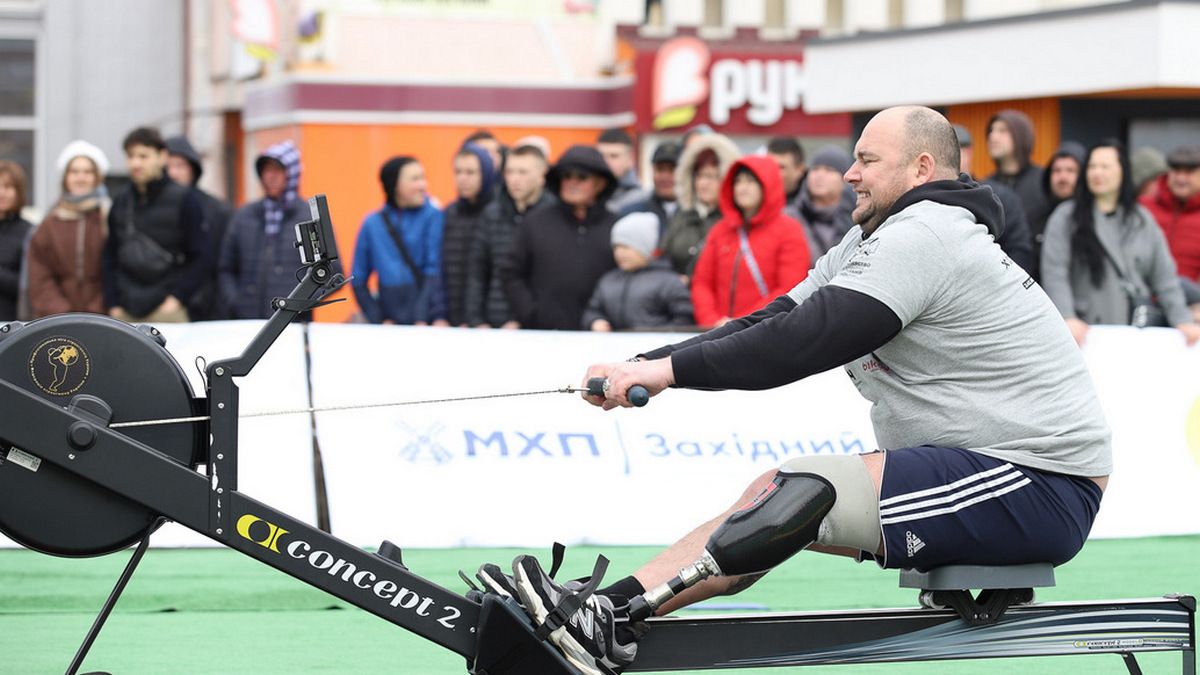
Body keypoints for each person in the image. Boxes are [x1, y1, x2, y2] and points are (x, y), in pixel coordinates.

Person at [481, 106, 1114, 675]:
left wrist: (667, 374)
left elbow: (804, 342)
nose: (850, 175)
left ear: (921, 168)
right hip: (992, 466)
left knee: (809, 488)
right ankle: (608, 611)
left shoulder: (928, 234)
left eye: (867, 160)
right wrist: (647, 363)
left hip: (1043, 482)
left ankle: (609, 621)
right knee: (775, 500)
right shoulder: (874, 238)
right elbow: (774, 319)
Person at [1041, 140, 1200, 346]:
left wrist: (1182, 319)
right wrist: (1066, 316)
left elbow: (1164, 277)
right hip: (1084, 331)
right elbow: (1055, 273)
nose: (1097, 172)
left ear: (1122, 171)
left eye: (1105, 166)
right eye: (1092, 166)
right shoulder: (1066, 217)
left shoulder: (1141, 220)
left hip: (1133, 331)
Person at [501, 144, 617, 330]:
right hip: (544, 334)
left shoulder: (616, 226)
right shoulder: (535, 222)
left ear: (600, 183)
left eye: (582, 177)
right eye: (567, 176)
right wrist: (530, 313)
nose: (572, 182)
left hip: (601, 333)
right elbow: (511, 273)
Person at [689, 156, 810, 328]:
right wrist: (711, 321)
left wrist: (740, 324)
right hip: (717, 331)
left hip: (764, 331)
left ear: (767, 185)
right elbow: (702, 282)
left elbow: (789, 289)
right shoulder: (720, 230)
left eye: (750, 181)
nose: (742, 188)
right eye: (738, 181)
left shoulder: (789, 230)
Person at [102, 127, 207, 323]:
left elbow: (200, 256)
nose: (136, 163)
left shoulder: (185, 199)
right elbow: (110, 255)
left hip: (166, 309)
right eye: (131, 156)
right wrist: (113, 304)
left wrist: (177, 299)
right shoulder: (121, 200)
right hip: (126, 310)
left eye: (143, 156)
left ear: (162, 156)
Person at [218, 140, 316, 320]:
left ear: (292, 173)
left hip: (292, 324)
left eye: (277, 170)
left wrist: (300, 305)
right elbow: (226, 268)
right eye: (266, 170)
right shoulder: (244, 216)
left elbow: (329, 272)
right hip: (247, 322)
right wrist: (235, 302)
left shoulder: (309, 217)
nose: (270, 176)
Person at [465, 143, 553, 328]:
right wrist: (477, 320)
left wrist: (524, 320)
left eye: (522, 172)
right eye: (509, 172)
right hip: (493, 322)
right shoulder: (492, 213)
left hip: (538, 325)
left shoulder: (554, 216)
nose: (514, 179)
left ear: (541, 175)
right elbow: (477, 271)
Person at [351, 156, 447, 326]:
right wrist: (379, 319)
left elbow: (434, 269)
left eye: (423, 178)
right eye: (415, 179)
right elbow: (358, 279)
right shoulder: (372, 223)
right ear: (395, 184)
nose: (423, 185)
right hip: (390, 322)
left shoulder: (434, 216)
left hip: (426, 322)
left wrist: (422, 317)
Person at [26, 141, 111, 318]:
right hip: (57, 319)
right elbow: (40, 276)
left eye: (88, 172)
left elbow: (116, 270)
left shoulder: (108, 218)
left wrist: (98, 310)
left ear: (97, 178)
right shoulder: (49, 224)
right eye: (74, 172)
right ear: (65, 177)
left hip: (103, 318)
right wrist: (62, 313)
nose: (81, 178)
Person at [582, 211, 693, 331]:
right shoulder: (608, 280)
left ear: (645, 247)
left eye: (626, 247)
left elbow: (684, 319)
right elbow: (593, 310)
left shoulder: (669, 282)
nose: (619, 253)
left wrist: (661, 335)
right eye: (616, 247)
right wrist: (595, 321)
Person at [953, 124, 1036, 275]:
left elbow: (1019, 250)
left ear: (968, 152)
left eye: (953, 151)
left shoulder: (998, 196)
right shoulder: (928, 200)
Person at [166, 135, 233, 320]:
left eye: (179, 166)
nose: (173, 173)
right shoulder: (150, 209)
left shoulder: (218, 210)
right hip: (165, 306)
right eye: (167, 166)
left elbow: (224, 264)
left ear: (193, 169)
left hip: (208, 308)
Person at [659, 133, 741, 279]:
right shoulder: (683, 215)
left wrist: (691, 280)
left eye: (712, 176)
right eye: (699, 176)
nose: (703, 183)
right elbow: (663, 256)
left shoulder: (734, 220)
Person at [442, 144, 496, 326]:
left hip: (487, 322)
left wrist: (477, 320)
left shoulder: (497, 213)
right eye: (458, 172)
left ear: (486, 174)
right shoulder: (449, 213)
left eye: (470, 172)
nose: (462, 178)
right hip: (453, 320)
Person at [1140, 145, 1200, 284]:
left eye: (1189, 172)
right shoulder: (1143, 207)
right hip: (1143, 294)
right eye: (1176, 171)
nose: (1181, 178)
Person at [983, 109, 1047, 233]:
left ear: (1021, 135)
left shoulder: (1043, 181)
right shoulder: (986, 186)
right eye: (991, 131)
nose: (993, 137)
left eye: (1002, 131)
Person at [1030, 141, 1087, 274]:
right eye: (1057, 171)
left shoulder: (1094, 218)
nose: (1062, 177)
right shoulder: (1035, 218)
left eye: (1070, 171)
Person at [795, 145, 856, 258]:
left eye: (829, 170)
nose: (819, 175)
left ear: (845, 179)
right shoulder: (792, 217)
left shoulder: (857, 219)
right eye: (815, 169)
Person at [620, 140, 681, 238]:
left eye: (672, 170)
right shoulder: (633, 214)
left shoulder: (696, 215)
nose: (664, 177)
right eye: (660, 169)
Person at [0, 160, 34, 322]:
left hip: (12, 323)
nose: (1, 193)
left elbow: (28, 285)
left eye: (8, 187)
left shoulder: (29, 232)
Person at [597, 128, 647, 214]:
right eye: (601, 156)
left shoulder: (641, 199)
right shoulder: (586, 194)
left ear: (630, 159)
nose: (606, 161)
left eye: (614, 156)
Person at [766, 136, 806, 220]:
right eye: (770, 165)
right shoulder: (754, 200)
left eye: (781, 167)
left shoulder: (815, 206)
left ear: (800, 170)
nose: (774, 172)